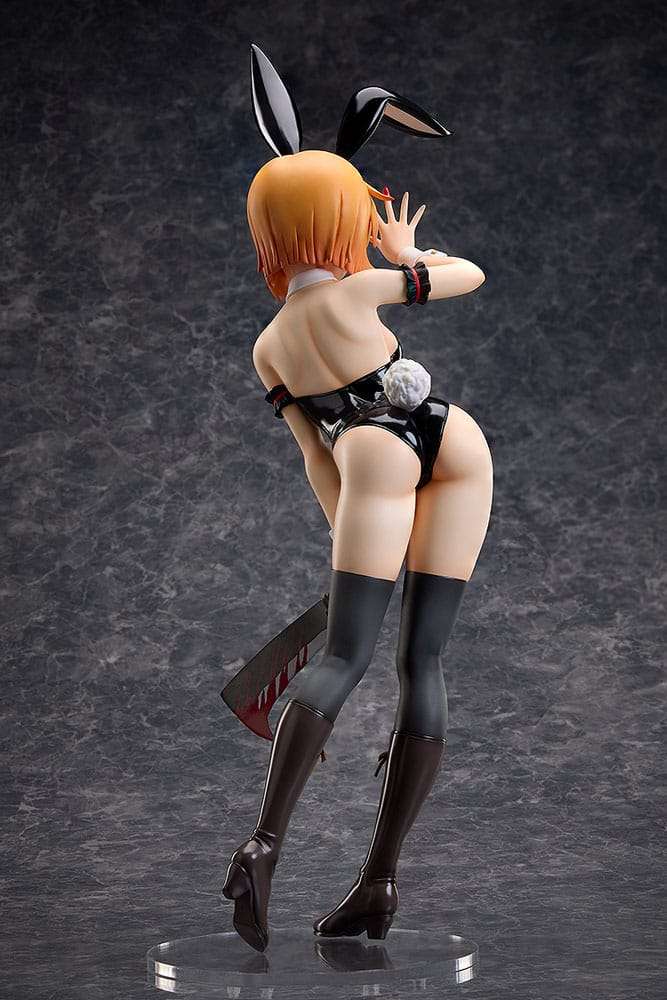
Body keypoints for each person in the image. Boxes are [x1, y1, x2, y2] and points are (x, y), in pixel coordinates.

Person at [222, 47, 493, 953]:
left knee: (344, 653)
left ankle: (263, 848)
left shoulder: (270, 346)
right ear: (346, 217)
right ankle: (379, 881)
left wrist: (346, 528)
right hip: (453, 439)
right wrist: (407, 256)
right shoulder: (365, 287)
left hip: (366, 457)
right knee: (425, 660)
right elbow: (467, 276)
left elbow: (315, 452)